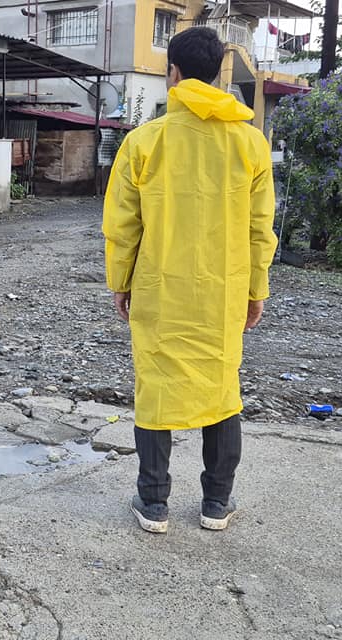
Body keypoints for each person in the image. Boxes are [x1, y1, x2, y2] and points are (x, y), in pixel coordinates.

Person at [102, 27, 277, 535]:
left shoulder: (144, 142)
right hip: (224, 291)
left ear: (171, 73)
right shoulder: (250, 142)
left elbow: (122, 225)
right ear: (221, 71)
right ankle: (216, 504)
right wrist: (256, 288)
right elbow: (258, 228)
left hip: (160, 287)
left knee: (155, 389)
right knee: (221, 389)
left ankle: (153, 502)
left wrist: (121, 281)